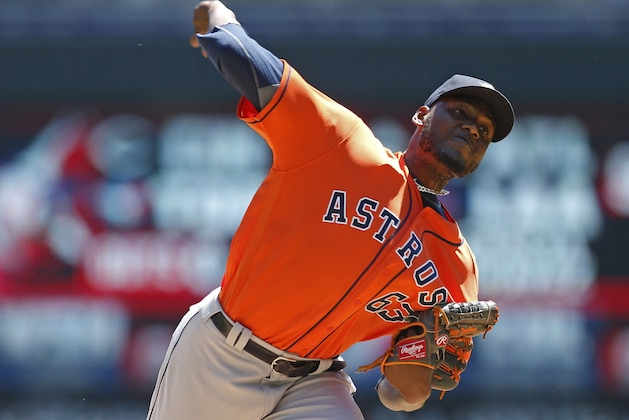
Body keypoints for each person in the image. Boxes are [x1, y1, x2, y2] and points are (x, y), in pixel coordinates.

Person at [147, 1, 515, 418]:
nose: (472, 127)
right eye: (461, 112)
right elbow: (243, 57)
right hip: (221, 354)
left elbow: (398, 397)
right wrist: (215, 17)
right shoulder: (342, 145)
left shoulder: (455, 268)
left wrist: (424, 350)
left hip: (314, 381)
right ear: (422, 116)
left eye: (484, 131)